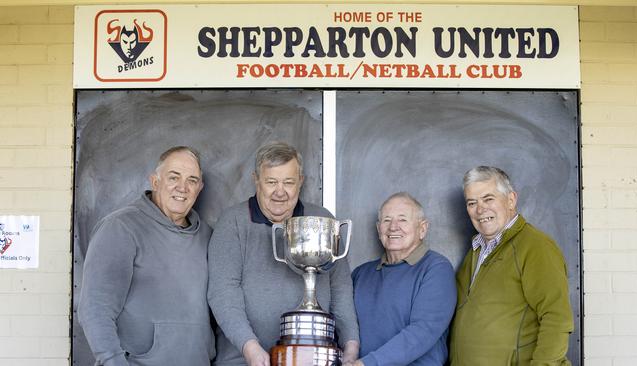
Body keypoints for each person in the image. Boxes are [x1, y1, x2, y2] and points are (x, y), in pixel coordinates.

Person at [208, 141, 360, 366]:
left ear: (300, 181)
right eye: (271, 182)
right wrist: (249, 346)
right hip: (242, 360)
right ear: (256, 180)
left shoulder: (322, 219)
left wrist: (351, 342)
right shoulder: (232, 223)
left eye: (288, 182)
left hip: (313, 361)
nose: (280, 191)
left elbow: (340, 289)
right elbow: (223, 292)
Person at [78, 146, 215, 366]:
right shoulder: (121, 228)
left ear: (200, 188)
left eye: (192, 180)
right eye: (173, 177)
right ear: (155, 181)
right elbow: (95, 309)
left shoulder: (207, 236)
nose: (182, 187)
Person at [449, 166, 574, 366]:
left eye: (488, 199)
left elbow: (556, 319)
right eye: (472, 202)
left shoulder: (536, 247)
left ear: (511, 200)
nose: (480, 209)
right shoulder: (476, 251)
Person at [351, 192, 456, 366]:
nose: (393, 227)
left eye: (402, 219)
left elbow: (422, 331)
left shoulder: (436, 269)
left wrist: (366, 364)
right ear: (379, 229)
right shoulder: (361, 274)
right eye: (386, 220)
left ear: (422, 228)